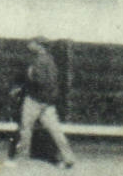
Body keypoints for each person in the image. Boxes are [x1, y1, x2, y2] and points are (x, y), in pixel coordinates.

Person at [6, 36, 76, 168]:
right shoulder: (50, 60)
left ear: (39, 46)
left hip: (34, 99)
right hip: (48, 101)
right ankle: (68, 158)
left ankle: (21, 158)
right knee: (55, 130)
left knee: (25, 128)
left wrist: (22, 88)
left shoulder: (38, 61)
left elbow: (38, 81)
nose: (29, 44)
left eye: (32, 43)